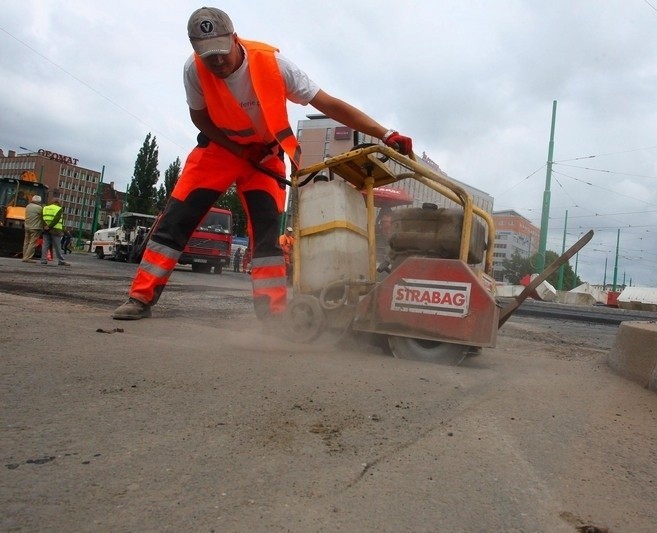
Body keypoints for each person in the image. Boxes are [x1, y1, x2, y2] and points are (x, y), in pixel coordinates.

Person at [113, 6, 412, 321]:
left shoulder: (275, 66)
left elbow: (329, 104)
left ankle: (272, 314)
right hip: (219, 151)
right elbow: (199, 117)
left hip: (266, 156)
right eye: (206, 55)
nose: (216, 61)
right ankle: (140, 298)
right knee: (176, 219)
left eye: (220, 52)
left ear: (235, 38)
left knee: (268, 233)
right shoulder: (193, 71)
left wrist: (385, 133)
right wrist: (237, 150)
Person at [41, 193, 70, 266]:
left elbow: (42, 218)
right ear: (59, 202)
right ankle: (61, 260)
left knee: (45, 245)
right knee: (57, 246)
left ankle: (43, 260)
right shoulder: (59, 209)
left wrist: (45, 226)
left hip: (45, 229)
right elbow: (56, 219)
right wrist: (50, 226)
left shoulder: (45, 208)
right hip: (55, 230)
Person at [21, 195, 44, 263]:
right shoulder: (39, 208)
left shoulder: (28, 206)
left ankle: (24, 256)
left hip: (27, 226)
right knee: (32, 243)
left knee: (26, 242)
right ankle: (27, 258)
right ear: (39, 201)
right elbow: (42, 216)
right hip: (35, 227)